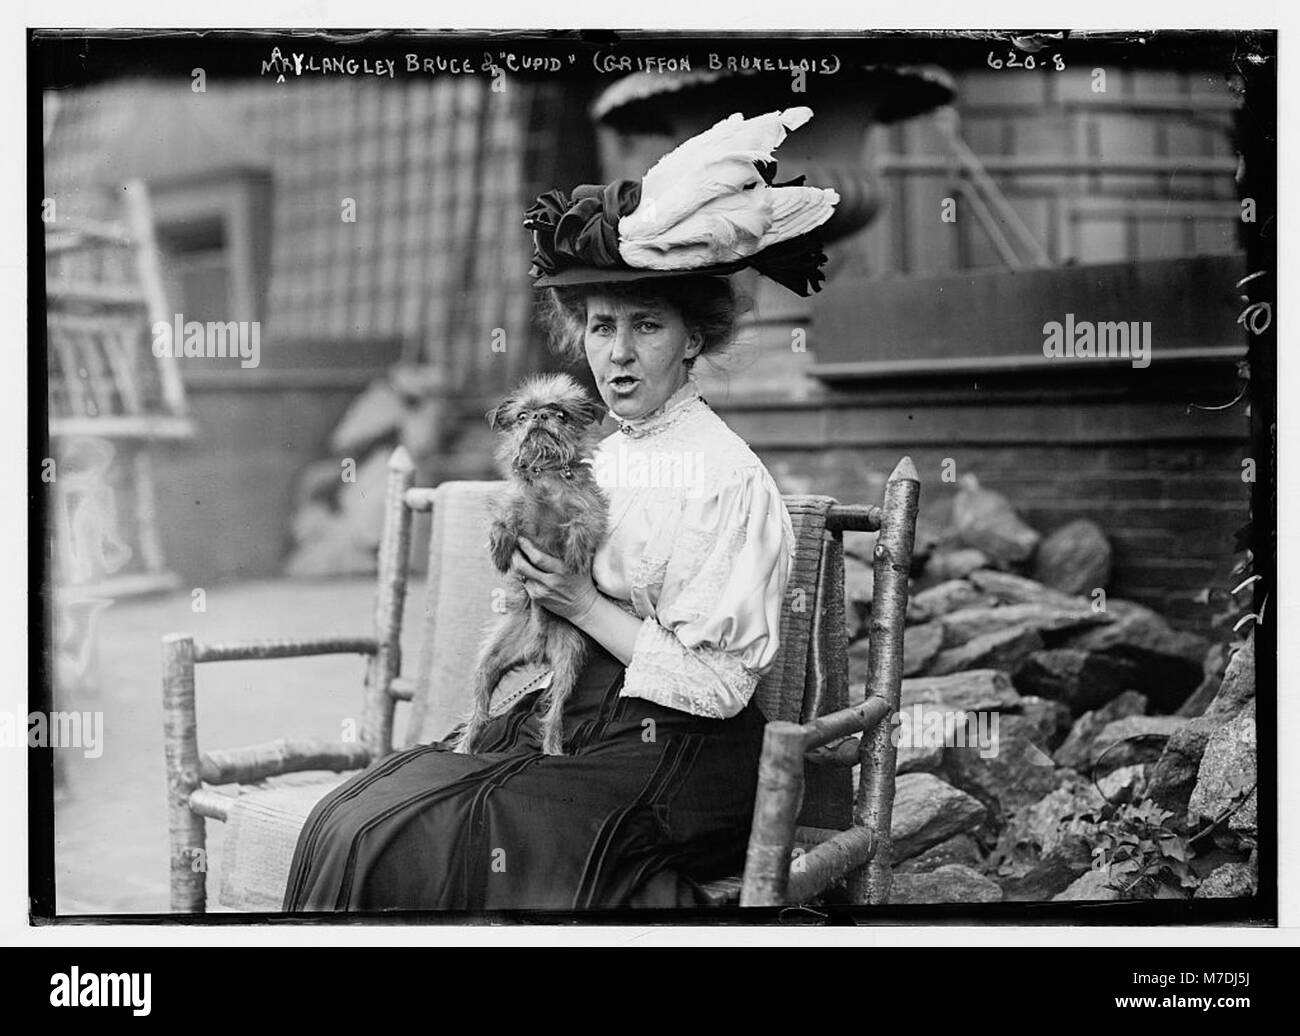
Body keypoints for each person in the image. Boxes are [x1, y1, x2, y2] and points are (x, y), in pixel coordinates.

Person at [282, 106, 839, 911]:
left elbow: (719, 689)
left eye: (646, 325)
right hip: (579, 715)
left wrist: (579, 601)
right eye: (601, 326)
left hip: (685, 752)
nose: (617, 353)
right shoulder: (601, 456)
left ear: (692, 339)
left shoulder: (728, 479)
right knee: (356, 816)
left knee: (451, 834)